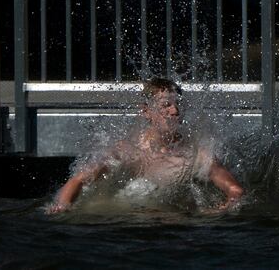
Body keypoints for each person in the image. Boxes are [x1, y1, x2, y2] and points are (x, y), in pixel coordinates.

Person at [47, 77, 244, 214]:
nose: (175, 110)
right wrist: (62, 208)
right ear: (146, 111)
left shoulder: (194, 153)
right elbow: (78, 181)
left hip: (171, 229)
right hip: (124, 225)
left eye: (178, 104)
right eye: (166, 105)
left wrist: (218, 211)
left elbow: (235, 190)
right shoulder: (128, 150)